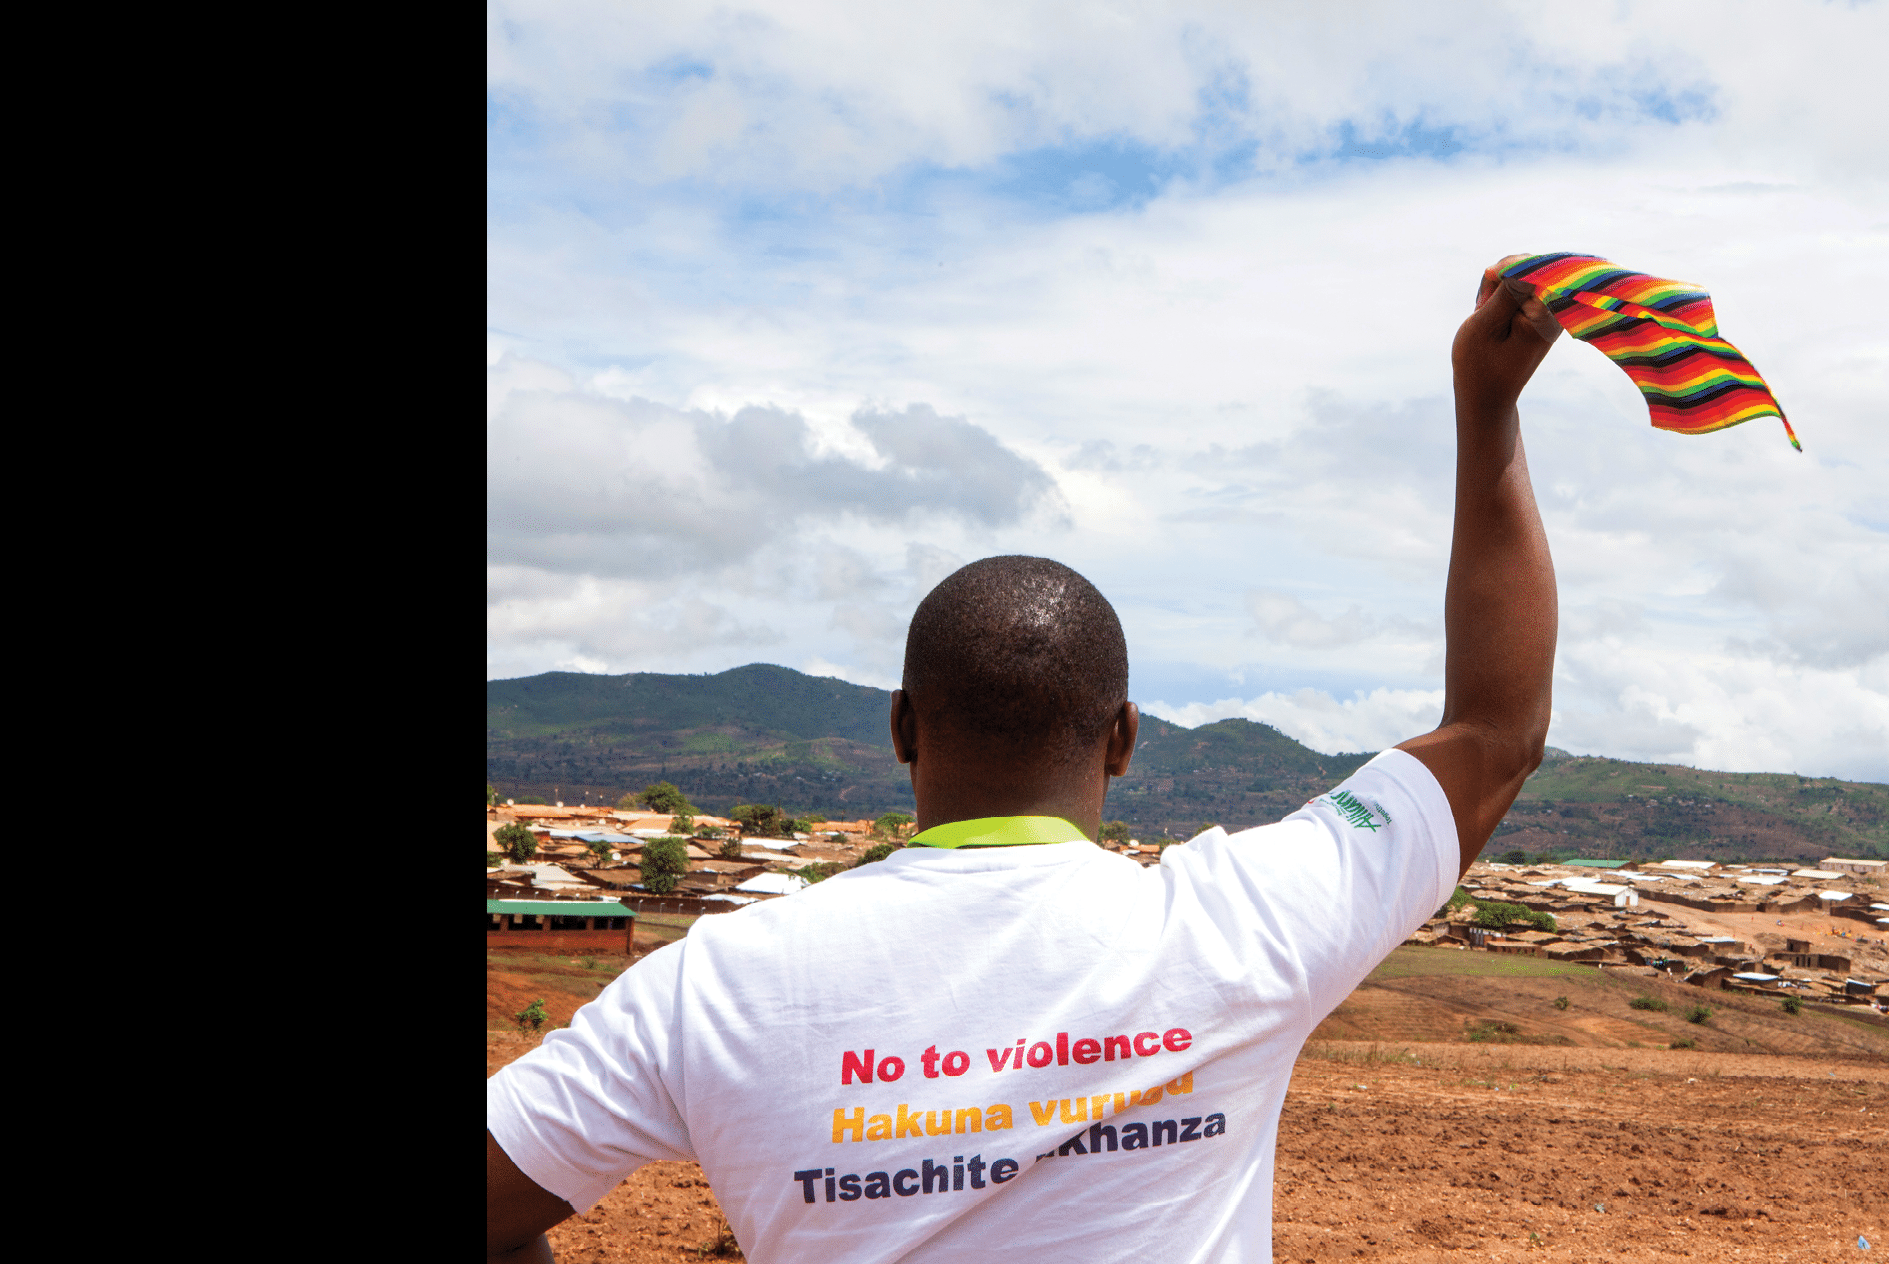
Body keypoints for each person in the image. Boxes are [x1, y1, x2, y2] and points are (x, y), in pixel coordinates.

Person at [486, 257, 1562, 1263]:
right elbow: (1492, 733)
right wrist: (1486, 407)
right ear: (1123, 740)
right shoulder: (1241, 925)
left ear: (902, 729)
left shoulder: (709, 987)